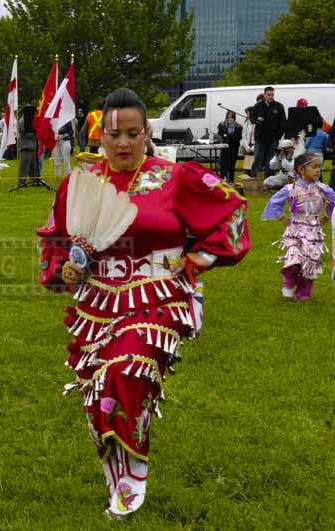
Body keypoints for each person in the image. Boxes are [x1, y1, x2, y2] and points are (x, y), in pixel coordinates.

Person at [37, 88, 250, 519]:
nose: (122, 143)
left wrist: (194, 262)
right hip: (97, 303)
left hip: (158, 295)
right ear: (100, 135)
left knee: (126, 369)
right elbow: (55, 239)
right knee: (98, 392)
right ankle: (116, 466)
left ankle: (133, 469)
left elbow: (233, 214)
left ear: (146, 133)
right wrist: (65, 269)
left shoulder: (175, 177)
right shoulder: (82, 183)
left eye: (133, 134)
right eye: (114, 134)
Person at [262, 153, 335, 301]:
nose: (318, 170)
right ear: (302, 170)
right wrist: (283, 218)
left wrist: (326, 217)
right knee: (294, 258)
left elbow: (333, 203)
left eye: (319, 167)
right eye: (314, 167)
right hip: (295, 230)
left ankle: (303, 294)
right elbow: (275, 202)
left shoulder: (323, 189)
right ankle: (288, 283)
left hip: (314, 232)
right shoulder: (291, 189)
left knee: (311, 262)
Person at [250, 87, 286, 178]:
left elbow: (283, 122)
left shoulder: (279, 106)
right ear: (264, 95)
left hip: (273, 138)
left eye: (272, 95)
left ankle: (269, 178)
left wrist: (278, 136)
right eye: (269, 95)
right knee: (258, 157)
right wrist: (258, 119)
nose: (271, 96)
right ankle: (255, 177)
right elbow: (252, 118)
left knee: (270, 159)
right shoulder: (258, 106)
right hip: (260, 138)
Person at [216, 111, 243, 182]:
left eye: (232, 118)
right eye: (228, 117)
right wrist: (224, 137)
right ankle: (223, 180)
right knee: (222, 164)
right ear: (226, 117)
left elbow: (237, 138)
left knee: (231, 166)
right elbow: (219, 135)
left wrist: (226, 136)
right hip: (224, 148)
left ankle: (231, 181)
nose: (230, 119)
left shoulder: (238, 126)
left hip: (234, 148)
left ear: (234, 118)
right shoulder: (222, 125)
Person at [18, 105, 39, 184]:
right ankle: (22, 182)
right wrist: (37, 133)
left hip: (32, 146)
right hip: (25, 146)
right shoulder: (22, 121)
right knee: (24, 165)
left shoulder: (30, 120)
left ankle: (34, 180)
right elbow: (28, 134)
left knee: (33, 165)